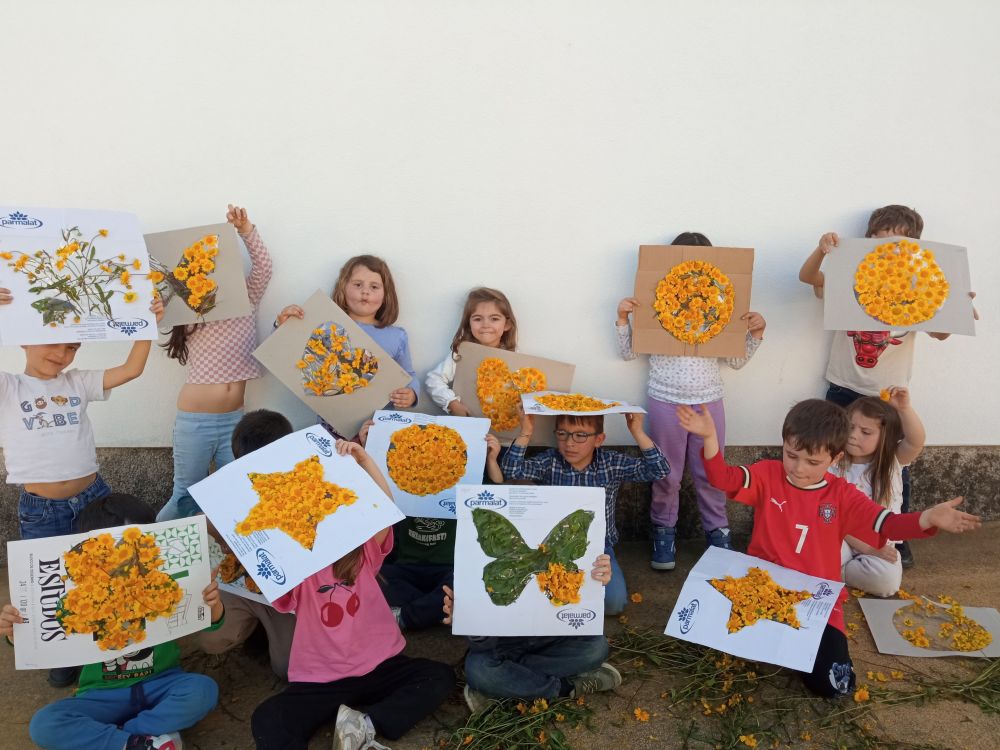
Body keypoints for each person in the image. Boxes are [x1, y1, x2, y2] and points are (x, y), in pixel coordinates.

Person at [677, 398, 980, 698]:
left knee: (835, 685)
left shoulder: (842, 495)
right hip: (762, 583)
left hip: (815, 597)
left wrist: (927, 517)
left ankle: (791, 645)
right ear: (784, 444)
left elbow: (887, 524)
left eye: (812, 462)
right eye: (791, 455)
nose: (798, 468)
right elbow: (721, 478)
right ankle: (780, 642)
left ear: (835, 458)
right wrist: (709, 437)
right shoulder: (767, 474)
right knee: (698, 630)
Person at [797, 204, 978, 567]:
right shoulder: (851, 279)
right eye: (879, 238)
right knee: (833, 459)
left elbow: (941, 332)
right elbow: (808, 277)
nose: (887, 244)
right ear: (867, 242)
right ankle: (822, 522)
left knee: (896, 468)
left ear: (913, 247)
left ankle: (899, 535)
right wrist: (823, 249)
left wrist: (954, 306)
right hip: (844, 389)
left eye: (898, 240)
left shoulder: (916, 291)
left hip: (888, 396)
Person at [0, 294, 163, 687]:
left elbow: (131, 369)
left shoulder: (78, 381)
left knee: (105, 575)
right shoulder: (9, 387)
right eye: (52, 341)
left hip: (95, 497)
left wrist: (145, 323)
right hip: (42, 510)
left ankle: (108, 642)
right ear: (22, 337)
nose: (61, 353)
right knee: (52, 585)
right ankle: (62, 653)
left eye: (72, 345)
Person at [250, 439, 453, 750]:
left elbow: (385, 509)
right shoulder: (296, 570)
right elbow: (264, 558)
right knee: (268, 718)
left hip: (380, 667)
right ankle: (350, 719)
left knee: (438, 676)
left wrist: (364, 460)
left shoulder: (363, 555)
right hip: (320, 681)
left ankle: (364, 724)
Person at [1, 493, 224, 750]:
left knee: (202, 690)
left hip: (161, 682)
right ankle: (143, 739)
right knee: (45, 724)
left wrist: (212, 603)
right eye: (107, 550)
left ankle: (130, 737)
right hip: (101, 694)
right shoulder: (75, 598)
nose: (121, 559)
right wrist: (15, 630)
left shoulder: (162, 584)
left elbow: (212, 623)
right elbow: (44, 634)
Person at [616, 231, 766, 570]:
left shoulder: (720, 314)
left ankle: (717, 530)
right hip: (666, 402)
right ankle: (663, 530)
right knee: (666, 473)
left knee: (711, 472)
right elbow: (628, 353)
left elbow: (737, 361)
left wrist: (755, 333)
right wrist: (623, 318)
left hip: (708, 404)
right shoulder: (659, 308)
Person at [156, 204, 273, 521]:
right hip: (195, 421)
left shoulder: (246, 297)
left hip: (235, 420)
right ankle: (158, 549)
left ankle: (228, 563)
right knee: (185, 494)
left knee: (234, 493)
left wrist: (245, 230)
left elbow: (263, 268)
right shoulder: (190, 310)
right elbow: (157, 296)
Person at [501, 410, 669, 615]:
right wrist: (526, 432)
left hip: (598, 548)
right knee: (537, 599)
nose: (569, 443)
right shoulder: (549, 462)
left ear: (598, 439)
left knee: (614, 604)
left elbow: (660, 469)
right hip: (552, 548)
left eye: (580, 435)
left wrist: (637, 432)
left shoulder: (610, 463)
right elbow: (511, 470)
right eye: (562, 434)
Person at [441, 556, 621, 712]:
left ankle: (506, 686)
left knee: (597, 647)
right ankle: (566, 688)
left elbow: (581, 604)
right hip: (501, 646)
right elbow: (482, 644)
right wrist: (470, 620)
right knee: (479, 670)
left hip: (553, 638)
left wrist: (596, 579)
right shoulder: (474, 558)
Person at [196, 409, 297, 678]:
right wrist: (209, 526)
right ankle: (254, 630)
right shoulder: (223, 488)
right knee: (211, 639)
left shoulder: (301, 488)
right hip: (239, 586)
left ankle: (270, 634)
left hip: (284, 595)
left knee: (288, 669)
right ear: (236, 456)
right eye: (248, 462)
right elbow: (202, 531)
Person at [275, 254, 418, 420]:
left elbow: (407, 374)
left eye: (374, 287)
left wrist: (412, 393)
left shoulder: (396, 336)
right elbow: (288, 352)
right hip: (331, 422)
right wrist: (284, 326)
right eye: (358, 284)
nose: (365, 291)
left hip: (377, 425)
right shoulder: (326, 326)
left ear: (386, 294)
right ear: (343, 287)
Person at [834, 387, 924, 597]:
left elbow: (916, 441)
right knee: (819, 549)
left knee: (888, 582)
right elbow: (833, 519)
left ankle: (839, 573)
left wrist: (905, 408)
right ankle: (838, 569)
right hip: (842, 538)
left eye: (865, 432)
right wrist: (866, 550)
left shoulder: (891, 462)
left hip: (878, 542)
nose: (853, 436)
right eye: (850, 427)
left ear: (886, 437)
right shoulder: (833, 463)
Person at [424, 287, 517, 416]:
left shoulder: (515, 358)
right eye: (478, 319)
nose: (485, 324)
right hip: (467, 423)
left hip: (501, 428)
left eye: (494, 319)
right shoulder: (461, 355)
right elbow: (433, 379)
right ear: (469, 324)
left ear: (507, 325)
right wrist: (452, 404)